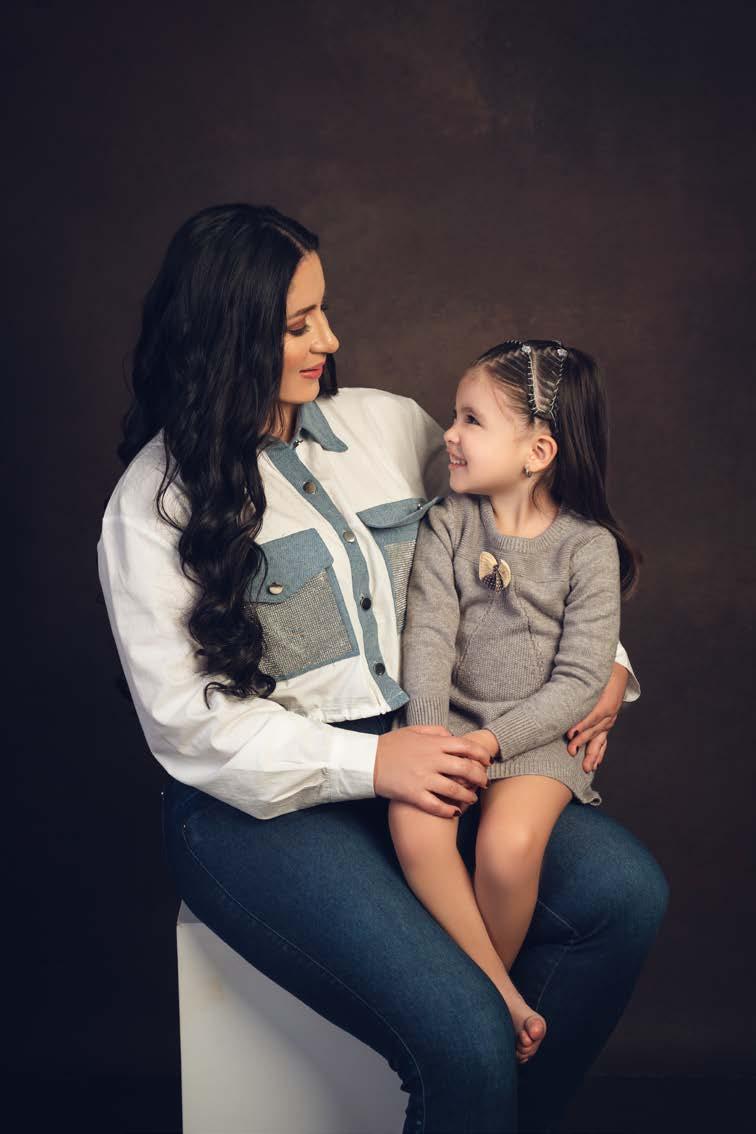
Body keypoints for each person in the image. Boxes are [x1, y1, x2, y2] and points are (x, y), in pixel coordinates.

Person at [96, 203, 669, 1134]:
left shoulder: (388, 426)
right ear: (229, 334)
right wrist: (374, 763)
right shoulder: (149, 508)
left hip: (431, 746)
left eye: (324, 311)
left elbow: (526, 531)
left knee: (625, 894)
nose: (330, 339)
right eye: (298, 324)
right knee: (464, 1034)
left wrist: (606, 662)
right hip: (258, 809)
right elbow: (188, 724)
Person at [391, 338, 641, 1067]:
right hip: (452, 724)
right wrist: (430, 738)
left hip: (536, 739)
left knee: (508, 847)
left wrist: (493, 743)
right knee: (415, 825)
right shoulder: (448, 522)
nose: (450, 434)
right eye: (454, 416)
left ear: (538, 451)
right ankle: (496, 997)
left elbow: (579, 681)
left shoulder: (586, 549)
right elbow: (427, 636)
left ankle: (469, 1010)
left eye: (471, 420)